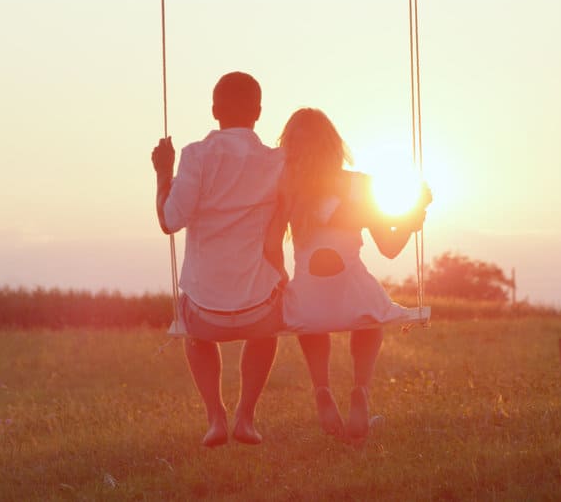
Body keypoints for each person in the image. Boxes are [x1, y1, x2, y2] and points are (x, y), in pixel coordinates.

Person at [264, 108, 430, 442]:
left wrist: (281, 280)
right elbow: (389, 248)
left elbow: (270, 245)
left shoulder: (288, 188)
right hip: (354, 295)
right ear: (334, 144)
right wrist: (415, 214)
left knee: (307, 311)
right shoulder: (361, 185)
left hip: (309, 302)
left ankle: (322, 390)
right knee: (369, 317)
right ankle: (360, 391)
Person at [152, 71, 286, 447]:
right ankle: (246, 415)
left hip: (204, 313)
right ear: (258, 112)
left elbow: (170, 221)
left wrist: (163, 173)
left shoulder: (195, 156)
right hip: (260, 311)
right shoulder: (277, 161)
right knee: (266, 330)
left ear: (214, 111)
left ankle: (215, 416)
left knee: (193, 333)